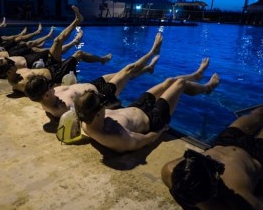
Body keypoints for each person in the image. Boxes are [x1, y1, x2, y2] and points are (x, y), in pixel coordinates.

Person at [73, 58, 220, 153]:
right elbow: (143, 141)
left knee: (168, 81)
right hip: (153, 117)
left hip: (136, 105)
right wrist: (160, 131)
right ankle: (208, 87)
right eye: (102, 105)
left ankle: (196, 75)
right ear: (98, 113)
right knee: (180, 84)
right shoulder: (115, 137)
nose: (105, 104)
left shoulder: (86, 118)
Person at [24, 32, 164, 120]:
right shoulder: (60, 109)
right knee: (128, 69)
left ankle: (148, 69)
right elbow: (86, 114)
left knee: (122, 75)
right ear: (45, 95)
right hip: (101, 94)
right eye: (48, 86)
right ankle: (153, 51)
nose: (51, 86)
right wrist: (110, 105)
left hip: (93, 84)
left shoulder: (46, 101)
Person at [161, 106, 263, 210]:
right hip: (256, 154)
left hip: (226, 142)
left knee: (258, 113)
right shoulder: (237, 194)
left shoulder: (170, 169)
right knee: (257, 115)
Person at [4, 29, 110, 93]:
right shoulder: (21, 84)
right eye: (10, 64)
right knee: (80, 54)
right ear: (9, 72)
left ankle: (76, 31)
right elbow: (37, 90)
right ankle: (102, 60)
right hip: (57, 74)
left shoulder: (17, 74)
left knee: (57, 41)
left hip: (50, 66)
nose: (12, 63)